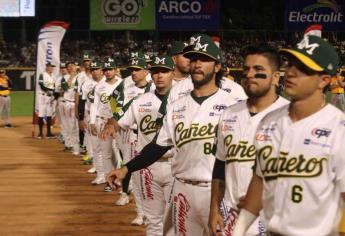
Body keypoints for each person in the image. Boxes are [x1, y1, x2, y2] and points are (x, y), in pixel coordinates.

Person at [105, 34, 239, 235]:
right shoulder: (177, 107)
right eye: (193, 59)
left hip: (219, 192)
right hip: (183, 188)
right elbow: (157, 147)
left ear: (217, 66)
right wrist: (126, 169)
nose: (197, 64)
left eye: (204, 59)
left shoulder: (232, 106)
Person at [232, 35, 345, 236]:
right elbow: (259, 180)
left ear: (324, 80)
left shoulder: (339, 129)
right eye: (291, 65)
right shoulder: (269, 122)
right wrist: (238, 230)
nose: (291, 73)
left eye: (302, 68)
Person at [209, 44, 289, 236]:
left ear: (276, 77)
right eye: (246, 69)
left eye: (258, 70)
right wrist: (214, 209)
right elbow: (220, 165)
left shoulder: (290, 116)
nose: (250, 74)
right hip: (231, 212)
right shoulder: (228, 114)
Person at [116, 55, 174, 235]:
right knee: (153, 221)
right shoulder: (140, 101)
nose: (160, 76)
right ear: (150, 74)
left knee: (174, 221)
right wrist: (110, 123)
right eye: (156, 71)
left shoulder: (182, 101)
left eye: (164, 71)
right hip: (147, 167)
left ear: (173, 73)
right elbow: (121, 122)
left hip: (175, 165)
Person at [89, 58, 122, 185]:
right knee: (106, 152)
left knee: (121, 151)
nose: (108, 72)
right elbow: (94, 105)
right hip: (102, 121)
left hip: (119, 123)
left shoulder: (122, 84)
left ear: (115, 70)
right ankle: (109, 179)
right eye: (106, 70)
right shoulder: (99, 86)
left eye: (110, 69)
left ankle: (119, 176)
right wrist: (92, 122)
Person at [61, 61, 79, 154]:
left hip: (74, 103)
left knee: (74, 126)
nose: (71, 67)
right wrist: (72, 76)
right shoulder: (64, 77)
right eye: (69, 66)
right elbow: (64, 88)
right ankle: (68, 144)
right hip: (67, 103)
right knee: (67, 125)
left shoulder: (80, 77)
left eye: (72, 66)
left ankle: (75, 145)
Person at [37, 62, 57, 139]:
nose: (52, 68)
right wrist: (50, 90)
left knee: (49, 114)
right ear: (47, 67)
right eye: (51, 66)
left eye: (52, 67)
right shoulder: (42, 75)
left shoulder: (53, 76)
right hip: (42, 96)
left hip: (50, 97)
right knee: (41, 114)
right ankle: (40, 133)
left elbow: (55, 86)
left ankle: (48, 133)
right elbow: (41, 86)